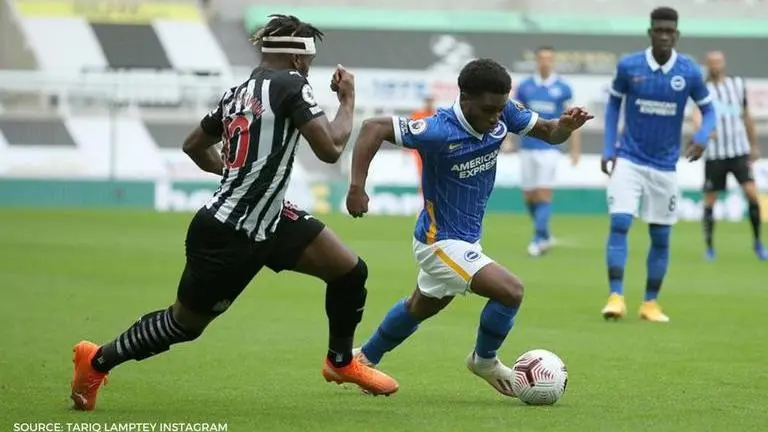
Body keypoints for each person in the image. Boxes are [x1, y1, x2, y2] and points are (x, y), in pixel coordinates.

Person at [69, 14, 399, 411]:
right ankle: (96, 360)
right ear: (298, 59)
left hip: (269, 218)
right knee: (183, 325)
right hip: (229, 234)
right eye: (309, 59)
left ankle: (340, 362)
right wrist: (347, 101)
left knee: (348, 271)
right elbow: (330, 149)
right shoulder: (292, 84)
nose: (310, 68)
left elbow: (193, 144)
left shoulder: (238, 93)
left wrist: (228, 171)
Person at [345, 58, 592, 396]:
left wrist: (566, 126)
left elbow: (550, 133)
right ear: (465, 99)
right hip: (439, 243)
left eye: (500, 108)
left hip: (465, 242)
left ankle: (362, 359)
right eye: (489, 109)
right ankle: (484, 361)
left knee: (420, 306)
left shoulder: (503, 112)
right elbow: (373, 127)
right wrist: (357, 187)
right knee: (510, 291)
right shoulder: (439, 130)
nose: (496, 118)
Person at [600, 7, 717, 323]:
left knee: (661, 237)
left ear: (676, 35)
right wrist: (609, 146)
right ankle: (615, 297)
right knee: (621, 223)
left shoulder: (689, 72)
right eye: (658, 30)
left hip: (665, 166)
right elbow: (612, 106)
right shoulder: (630, 66)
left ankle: (650, 303)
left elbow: (710, 111)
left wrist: (704, 135)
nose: (664, 36)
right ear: (650, 33)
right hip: (629, 158)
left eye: (669, 31)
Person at [691, 50, 766, 261]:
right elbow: (695, 114)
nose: (716, 65)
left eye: (719, 62)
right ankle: (709, 247)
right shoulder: (702, 89)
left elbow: (747, 115)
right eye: (712, 62)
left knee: (752, 193)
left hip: (739, 151)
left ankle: (758, 243)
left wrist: (753, 145)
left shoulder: (737, 85)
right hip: (715, 154)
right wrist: (703, 132)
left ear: (724, 63)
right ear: (707, 65)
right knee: (710, 198)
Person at [514, 46, 581, 256]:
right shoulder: (525, 87)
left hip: (550, 148)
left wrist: (575, 149)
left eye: (549, 59)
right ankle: (544, 233)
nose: (545, 62)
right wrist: (507, 140)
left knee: (543, 194)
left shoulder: (563, 88)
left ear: (553, 61)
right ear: (536, 61)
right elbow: (513, 115)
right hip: (527, 147)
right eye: (542, 58)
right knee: (529, 196)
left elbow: (573, 120)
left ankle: (538, 239)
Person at [410, 96, 436, 192]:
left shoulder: (436, 114)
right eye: (428, 101)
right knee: (422, 172)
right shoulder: (418, 114)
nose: (429, 103)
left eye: (431, 101)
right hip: (420, 149)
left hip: (433, 149)